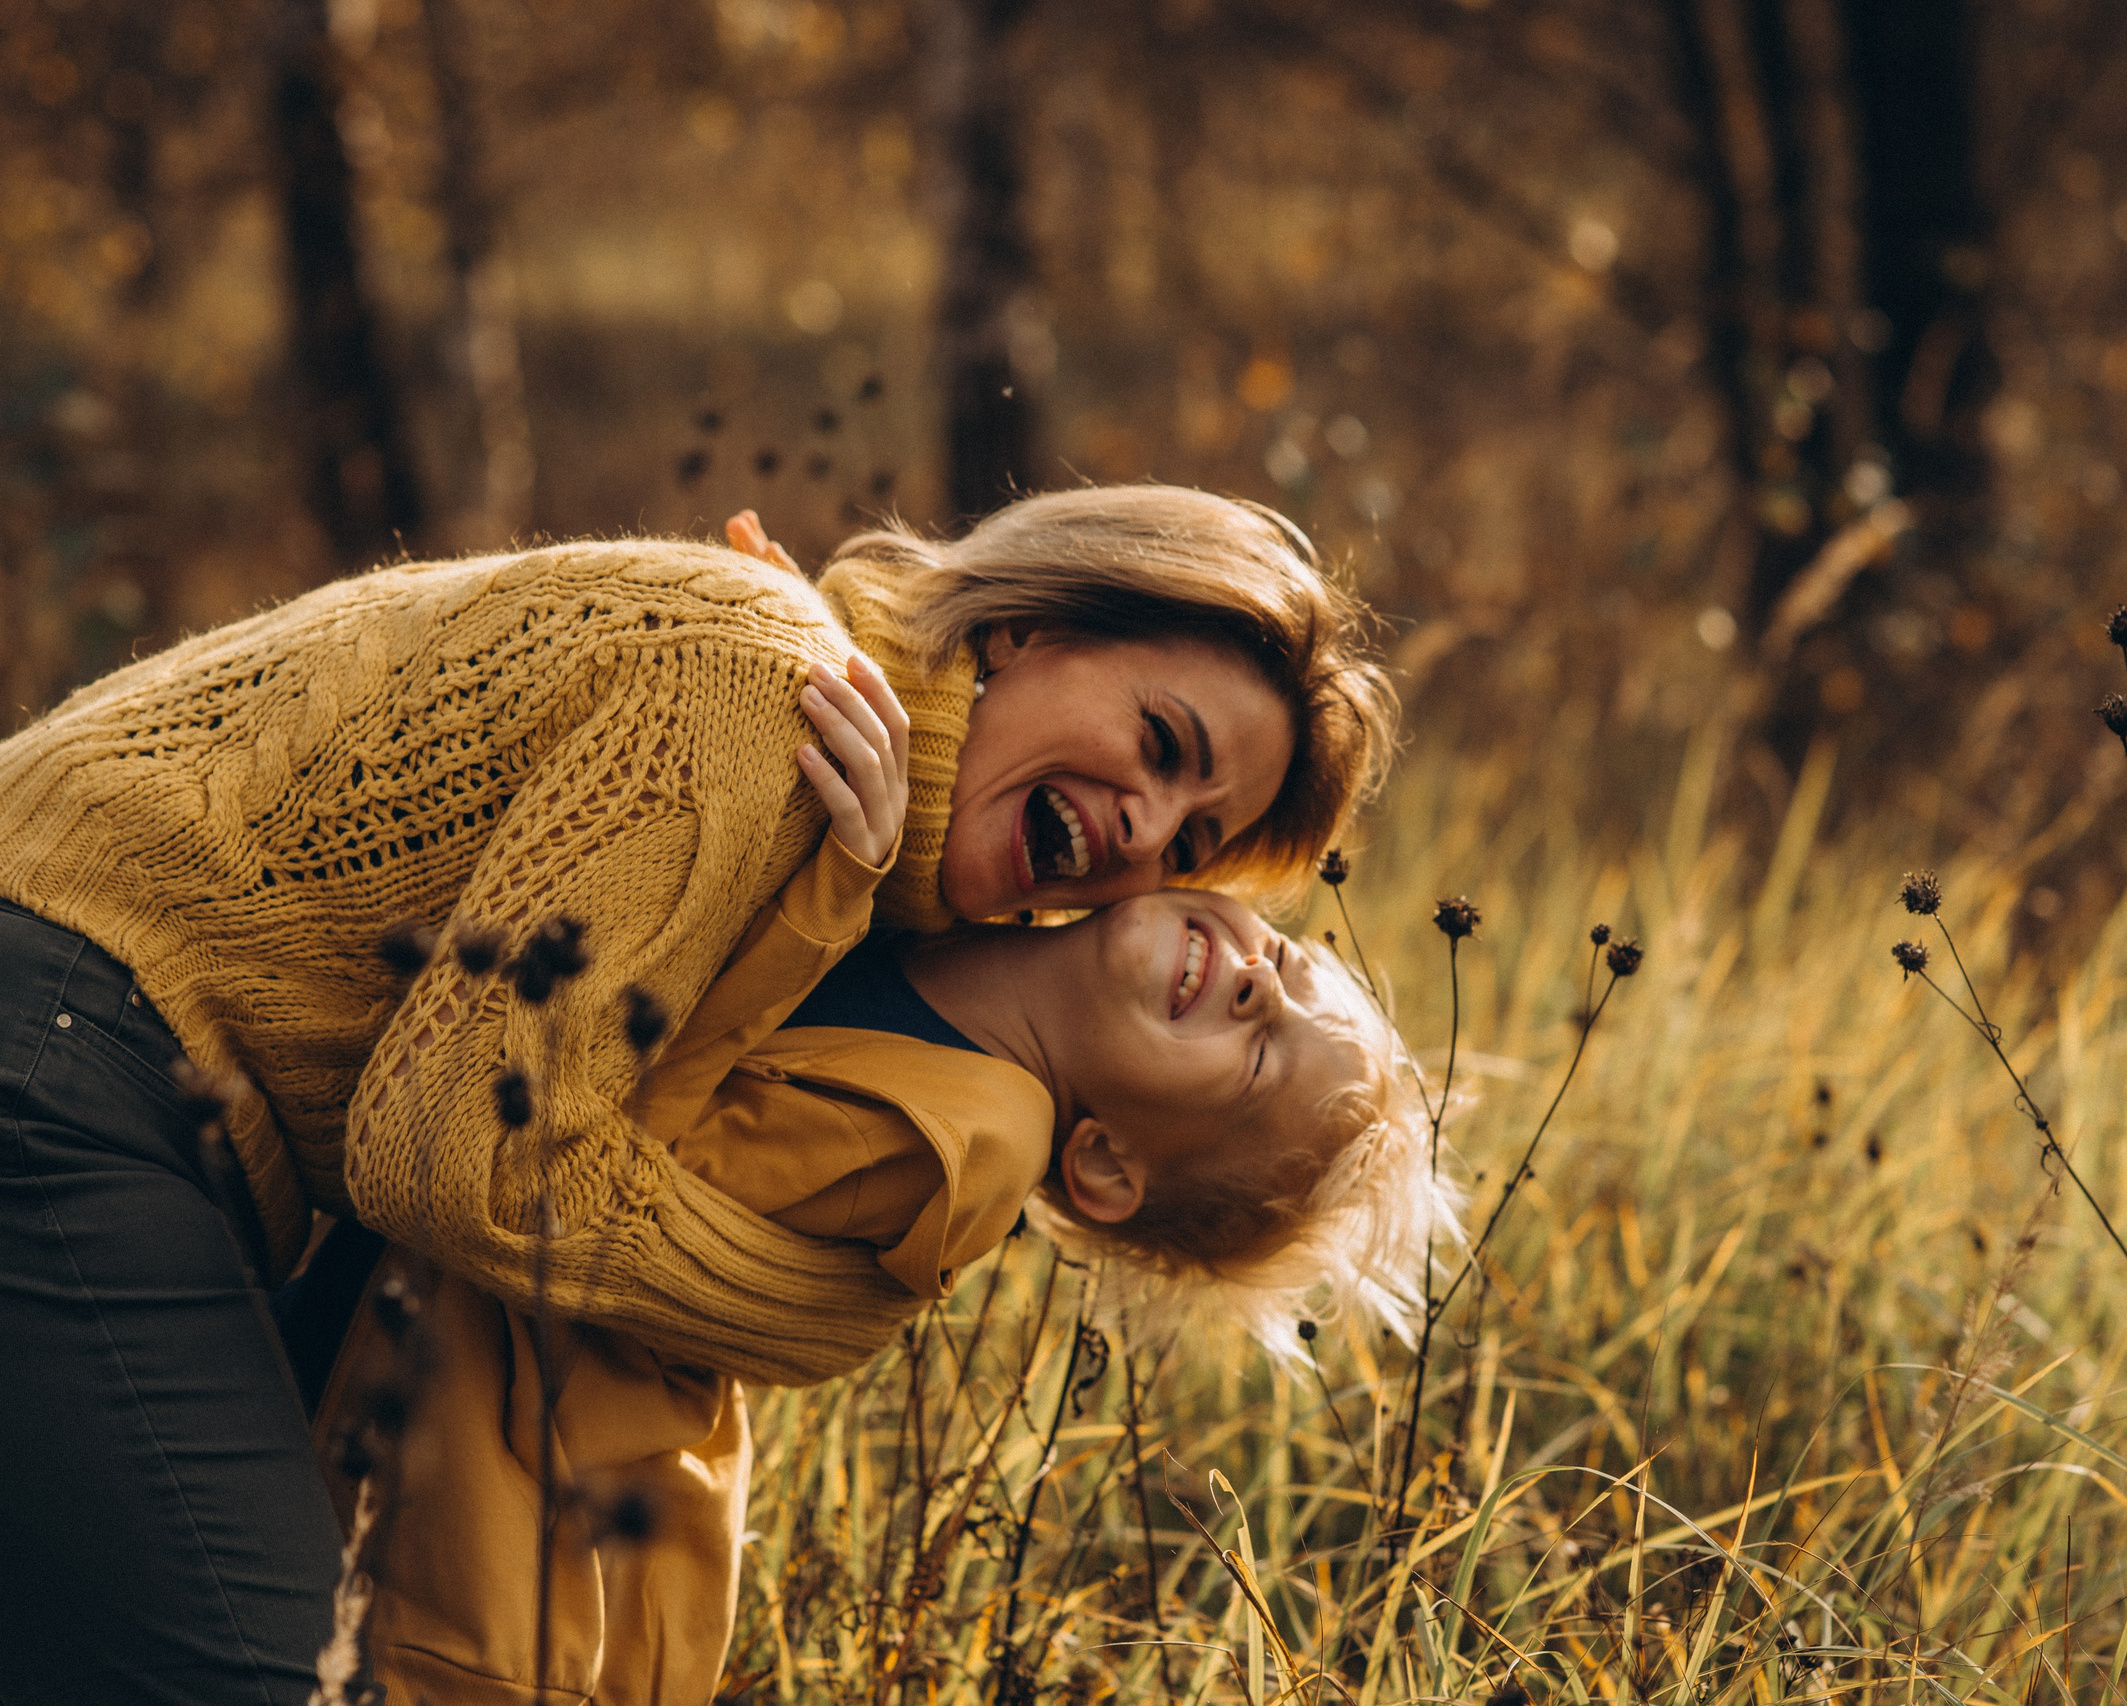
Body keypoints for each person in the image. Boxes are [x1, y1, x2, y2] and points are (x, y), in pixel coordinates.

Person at [0, 486, 1393, 1704]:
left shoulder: (846, 833)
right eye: (1160, 740)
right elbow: (446, 1151)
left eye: (1195, 839)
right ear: (1029, 626)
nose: (1146, 833)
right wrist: (812, 1311)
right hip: (62, 1038)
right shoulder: (761, 688)